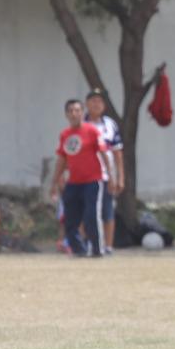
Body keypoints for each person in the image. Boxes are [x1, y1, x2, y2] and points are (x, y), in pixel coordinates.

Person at [49, 98, 111, 258]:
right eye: (70, 111)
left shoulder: (92, 131)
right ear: (66, 114)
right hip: (74, 182)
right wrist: (54, 181)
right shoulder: (65, 135)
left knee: (91, 216)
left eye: (77, 110)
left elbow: (104, 153)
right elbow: (62, 160)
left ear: (82, 113)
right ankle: (79, 250)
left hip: (93, 180)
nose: (74, 114)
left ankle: (97, 250)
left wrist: (111, 177)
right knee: (69, 219)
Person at [85, 88, 125, 256]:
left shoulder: (110, 124)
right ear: (87, 104)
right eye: (93, 100)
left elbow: (117, 152)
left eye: (100, 101)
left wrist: (119, 177)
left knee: (107, 211)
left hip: (106, 175)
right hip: (86, 176)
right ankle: (86, 244)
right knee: (86, 212)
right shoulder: (82, 124)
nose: (96, 104)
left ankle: (108, 246)